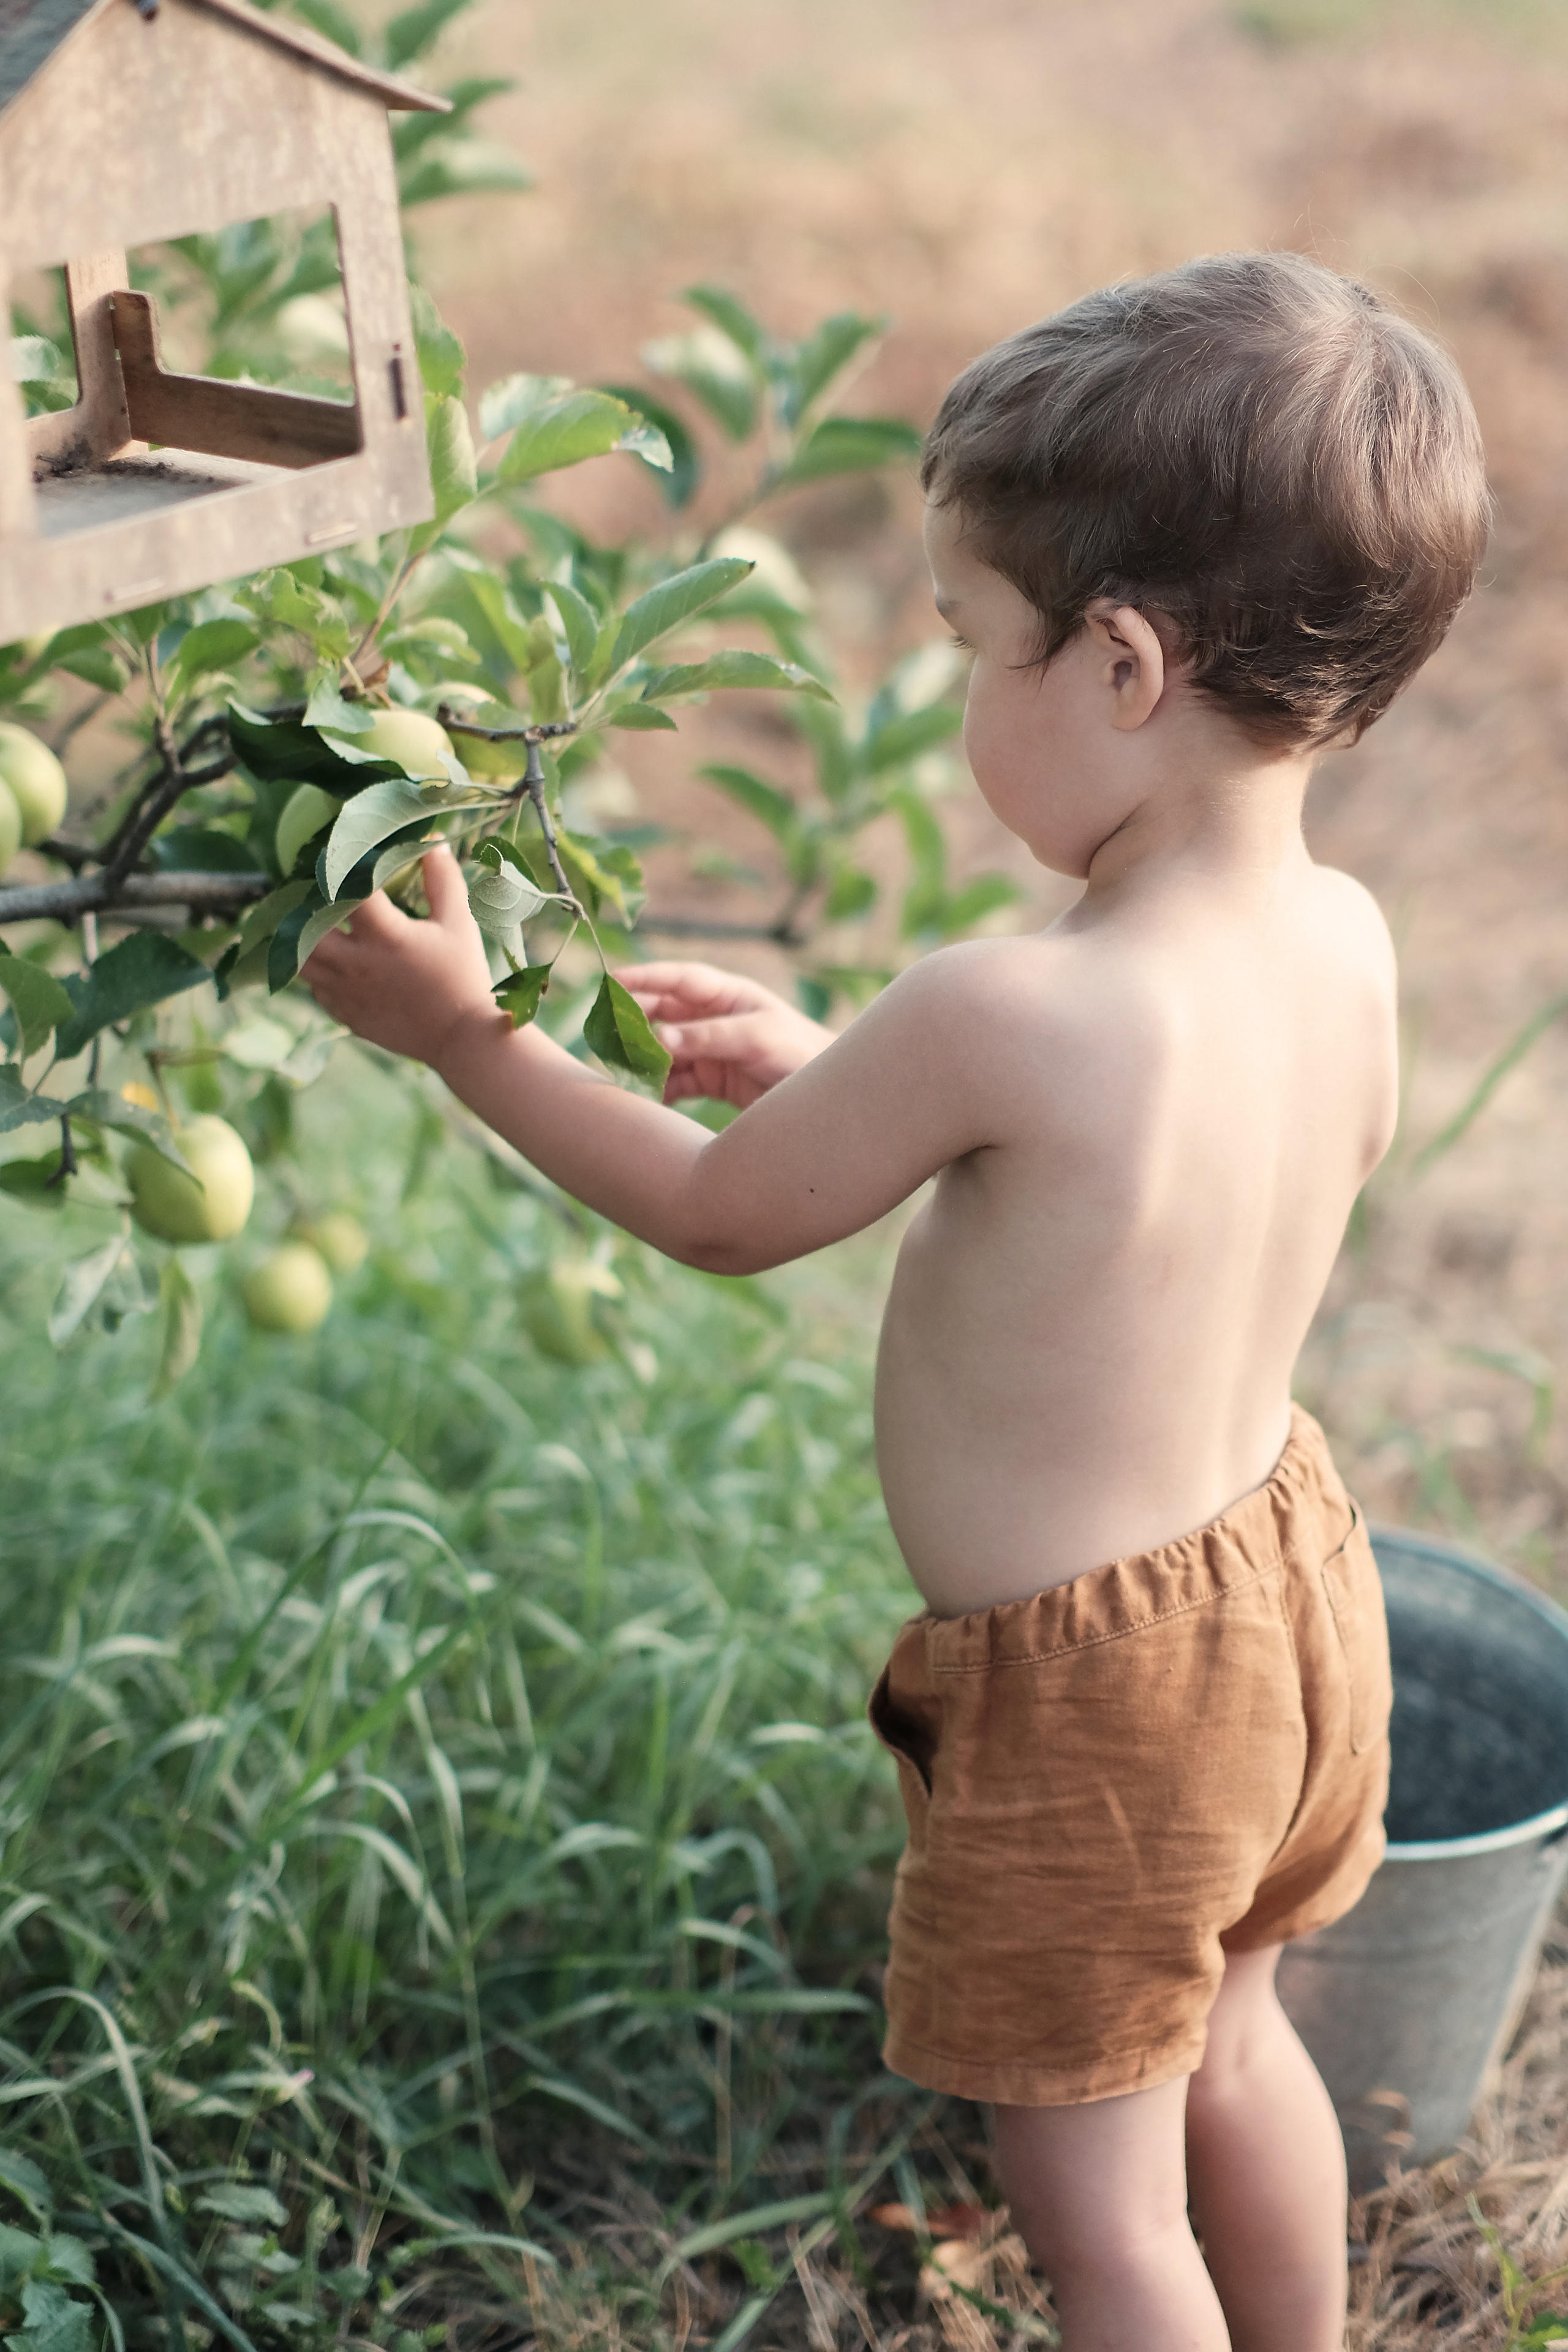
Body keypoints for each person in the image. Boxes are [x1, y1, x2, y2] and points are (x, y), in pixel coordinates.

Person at [303, 250, 1489, 2350]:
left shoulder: (1001, 1012)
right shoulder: (1345, 945)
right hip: (1297, 1595)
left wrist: (471, 1039)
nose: (955, 701)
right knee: (1240, 2049)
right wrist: (866, 1079)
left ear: (1118, 663)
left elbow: (720, 1218)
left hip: (1101, 1705)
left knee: (1101, 2215)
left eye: (967, 643)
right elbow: (1143, 1187)